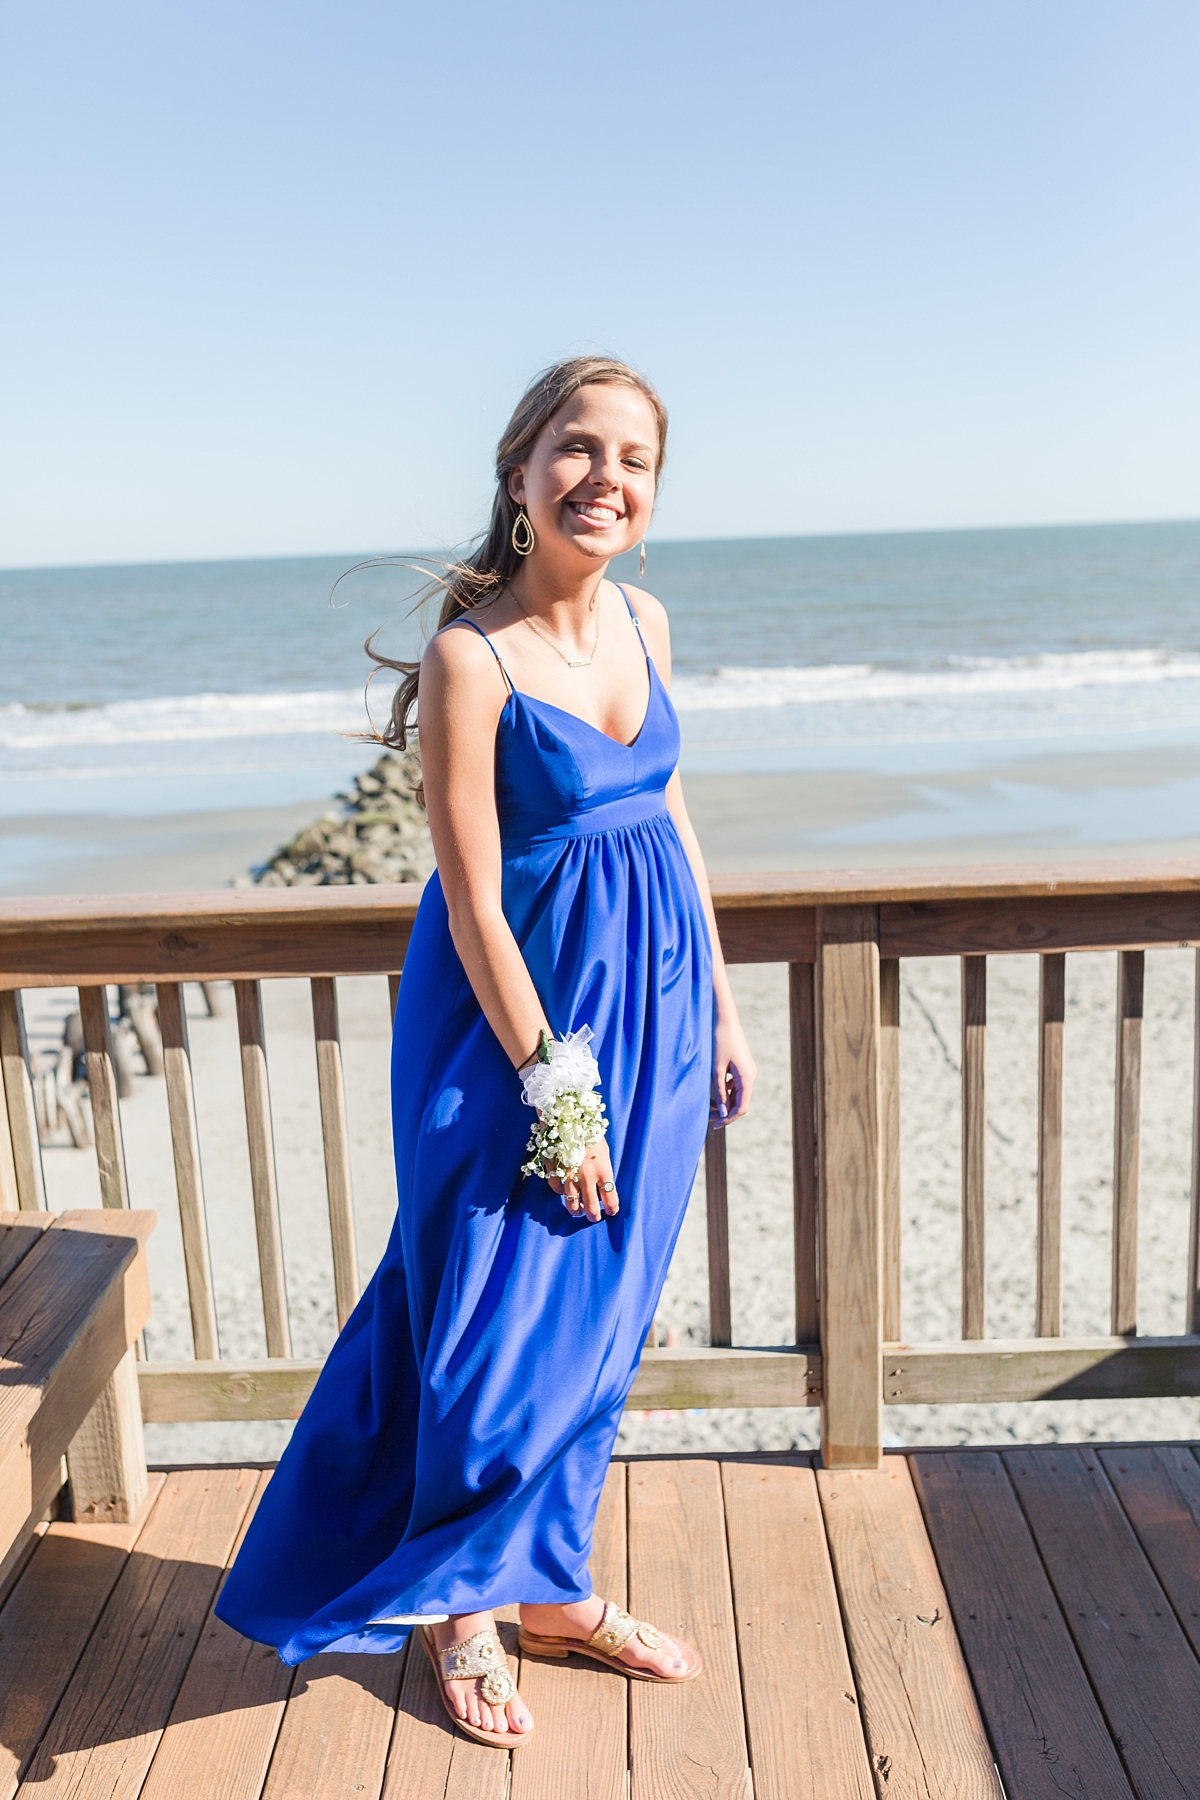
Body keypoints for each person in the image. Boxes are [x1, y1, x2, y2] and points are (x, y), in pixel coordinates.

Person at [215, 355, 756, 1751]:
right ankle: (465, 1611)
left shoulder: (647, 620)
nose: (607, 479)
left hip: (655, 1005)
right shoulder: (475, 657)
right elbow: (470, 899)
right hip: (515, 1028)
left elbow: (674, 818)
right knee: (487, 1310)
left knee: (597, 1314)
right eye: (579, 449)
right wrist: (555, 1089)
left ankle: (555, 1590)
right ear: (521, 472)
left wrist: (725, 1001)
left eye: (634, 458)